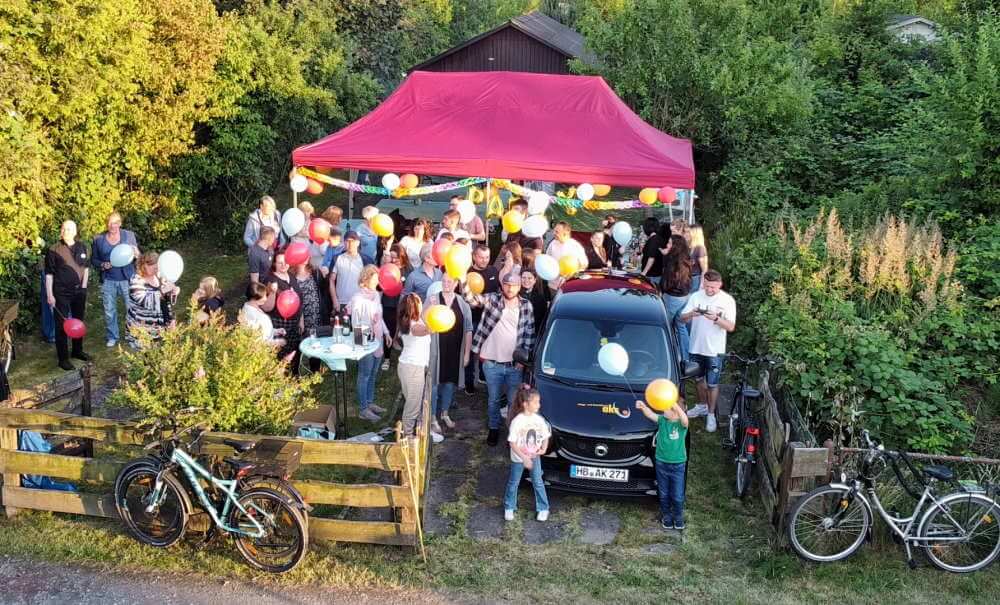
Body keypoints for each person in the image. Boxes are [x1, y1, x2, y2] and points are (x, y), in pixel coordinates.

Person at [471, 272, 536, 446]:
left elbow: (529, 335)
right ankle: (493, 428)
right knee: (493, 399)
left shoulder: (526, 306)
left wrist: (523, 362)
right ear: (502, 286)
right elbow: (472, 299)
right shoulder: (492, 299)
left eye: (513, 285)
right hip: (492, 364)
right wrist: (463, 281)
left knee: (514, 401)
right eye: (507, 284)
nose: (510, 288)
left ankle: (512, 434)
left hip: (514, 365)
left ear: (519, 287)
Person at [679, 270, 736, 432]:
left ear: (720, 284)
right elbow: (682, 318)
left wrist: (716, 319)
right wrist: (692, 313)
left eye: (712, 287)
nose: (709, 290)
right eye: (706, 286)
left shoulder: (727, 300)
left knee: (712, 383)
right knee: (698, 380)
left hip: (714, 350)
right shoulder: (696, 296)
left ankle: (711, 415)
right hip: (696, 346)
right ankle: (703, 406)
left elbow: (731, 326)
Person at [428, 274, 473, 434]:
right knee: (433, 383)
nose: (446, 284)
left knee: (449, 382)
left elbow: (468, 330)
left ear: (455, 284)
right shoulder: (433, 300)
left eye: (450, 281)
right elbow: (422, 321)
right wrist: (430, 309)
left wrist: (467, 353)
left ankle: (445, 413)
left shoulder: (462, 304)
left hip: (455, 350)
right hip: (435, 350)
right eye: (444, 281)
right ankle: (432, 417)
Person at [636, 397, 689, 530]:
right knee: (664, 492)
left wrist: (675, 406)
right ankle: (666, 516)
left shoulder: (681, 425)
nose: (663, 409)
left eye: (666, 408)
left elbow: (685, 419)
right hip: (662, 464)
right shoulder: (663, 420)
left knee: (677, 495)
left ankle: (678, 516)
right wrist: (643, 407)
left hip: (678, 465)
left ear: (675, 412)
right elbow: (650, 414)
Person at [45, 221, 90, 370]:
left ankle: (77, 351)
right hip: (61, 293)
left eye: (69, 229)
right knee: (62, 325)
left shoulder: (82, 246)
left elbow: (86, 269)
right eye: (63, 228)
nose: (65, 231)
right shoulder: (53, 250)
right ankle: (63, 359)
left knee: (78, 321)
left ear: (75, 232)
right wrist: (50, 295)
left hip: (79, 292)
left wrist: (83, 288)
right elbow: (49, 275)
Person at [90, 212, 140, 347]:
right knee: (109, 310)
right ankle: (112, 336)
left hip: (127, 278)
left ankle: (133, 337)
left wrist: (136, 253)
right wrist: (102, 264)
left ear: (120, 223)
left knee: (131, 309)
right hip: (108, 280)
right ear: (107, 223)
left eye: (116, 222)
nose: (113, 225)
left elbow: (137, 255)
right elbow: (94, 259)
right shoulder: (98, 239)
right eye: (110, 222)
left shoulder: (128, 235)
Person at [349, 265, 391, 422]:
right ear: (365, 280)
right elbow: (356, 324)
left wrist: (386, 333)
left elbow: (379, 318)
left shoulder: (376, 295)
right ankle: (363, 409)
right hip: (365, 342)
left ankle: (370, 402)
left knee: (373, 373)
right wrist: (363, 345)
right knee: (364, 374)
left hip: (378, 340)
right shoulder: (358, 299)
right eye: (375, 278)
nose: (377, 281)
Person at [503, 386, 550, 522]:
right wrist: (524, 458)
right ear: (525, 404)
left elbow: (545, 435)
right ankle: (509, 506)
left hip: (534, 457)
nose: (538, 405)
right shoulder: (517, 421)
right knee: (514, 482)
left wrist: (544, 448)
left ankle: (543, 508)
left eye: (539, 402)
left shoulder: (539, 419)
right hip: (518, 458)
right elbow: (512, 443)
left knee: (538, 482)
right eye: (535, 402)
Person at [126, 252, 179, 349]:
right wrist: (163, 290)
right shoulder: (136, 281)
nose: (154, 268)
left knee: (167, 354)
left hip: (164, 324)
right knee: (147, 357)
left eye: (156, 266)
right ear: (143, 265)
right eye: (150, 265)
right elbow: (144, 301)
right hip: (144, 328)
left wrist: (173, 293)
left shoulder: (161, 277)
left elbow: (167, 301)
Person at [464, 245, 499, 393]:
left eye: (487, 257)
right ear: (474, 257)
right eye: (481, 257)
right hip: (473, 319)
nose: (484, 260)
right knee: (471, 351)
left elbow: (496, 292)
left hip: (489, 318)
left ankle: (483, 377)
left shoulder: (493, 271)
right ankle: (469, 384)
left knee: (488, 350)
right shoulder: (467, 273)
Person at [396, 293, 431, 435]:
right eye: (420, 301)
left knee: (412, 403)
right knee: (412, 407)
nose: (422, 303)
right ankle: (407, 439)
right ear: (415, 306)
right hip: (413, 369)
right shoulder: (414, 326)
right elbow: (430, 329)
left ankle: (410, 434)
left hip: (407, 367)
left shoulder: (408, 321)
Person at [661, 234, 692, 363]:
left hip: (673, 297)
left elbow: (670, 280)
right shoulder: (685, 259)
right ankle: (686, 359)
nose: (667, 245)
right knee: (681, 327)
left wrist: (663, 289)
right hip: (684, 296)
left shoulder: (673, 261)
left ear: (675, 246)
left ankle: (666, 356)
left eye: (669, 243)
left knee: (664, 326)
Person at [380, 243, 409, 371]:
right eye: (392, 257)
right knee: (389, 331)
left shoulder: (408, 270)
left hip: (403, 305)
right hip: (389, 304)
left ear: (402, 256)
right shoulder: (387, 268)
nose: (394, 260)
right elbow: (379, 285)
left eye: (397, 257)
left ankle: (403, 353)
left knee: (403, 331)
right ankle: (386, 357)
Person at [329, 231, 370, 314]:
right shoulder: (337, 258)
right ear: (344, 243)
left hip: (360, 304)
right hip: (342, 303)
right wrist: (334, 300)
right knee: (343, 327)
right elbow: (331, 280)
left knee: (359, 327)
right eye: (348, 241)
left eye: (353, 241)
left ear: (358, 243)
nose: (350, 243)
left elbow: (371, 281)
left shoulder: (366, 260)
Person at [240, 282, 287, 348]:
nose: (265, 298)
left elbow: (262, 330)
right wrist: (277, 342)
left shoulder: (254, 306)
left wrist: (276, 331)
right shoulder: (250, 314)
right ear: (255, 297)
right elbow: (257, 341)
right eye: (264, 296)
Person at [247, 227, 276, 298]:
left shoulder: (270, 249)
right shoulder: (255, 254)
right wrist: (258, 295)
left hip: (271, 282)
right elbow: (254, 278)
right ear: (269, 239)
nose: (274, 240)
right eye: (274, 238)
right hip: (262, 286)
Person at [640, 218, 664, 286]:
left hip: (652, 276)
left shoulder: (653, 240)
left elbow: (651, 258)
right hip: (656, 274)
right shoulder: (657, 238)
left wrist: (644, 273)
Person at [689, 224, 709, 293]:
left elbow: (704, 269)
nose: (687, 234)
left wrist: (701, 285)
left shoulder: (700, 248)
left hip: (696, 279)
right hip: (689, 278)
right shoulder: (691, 247)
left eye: (689, 232)